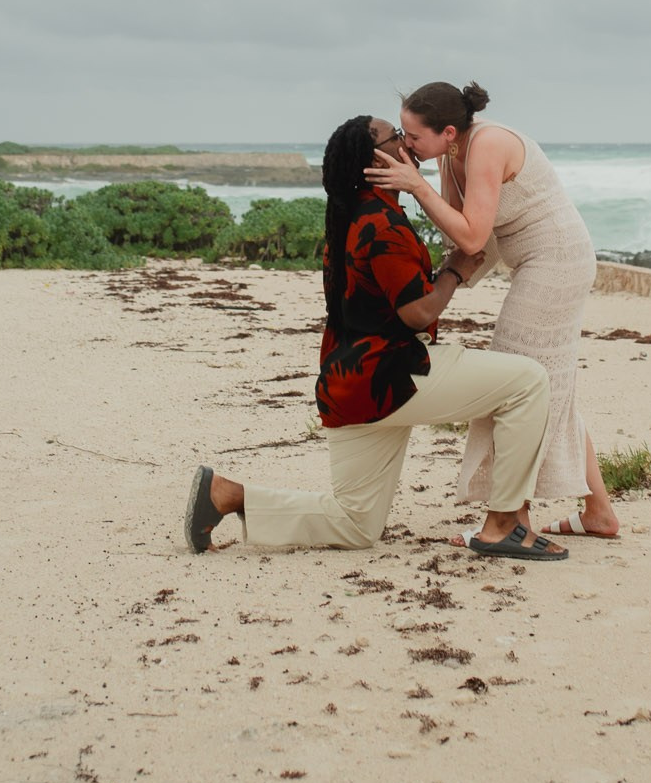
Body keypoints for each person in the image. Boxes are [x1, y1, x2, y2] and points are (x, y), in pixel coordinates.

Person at [184, 114, 567, 561]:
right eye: (396, 137)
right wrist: (455, 273)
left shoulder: (350, 216)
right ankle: (503, 523)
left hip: (350, 386)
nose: (407, 143)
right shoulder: (380, 223)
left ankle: (228, 495)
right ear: (376, 160)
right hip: (394, 377)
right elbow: (416, 313)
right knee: (528, 381)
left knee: (355, 524)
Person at [367, 80, 619, 540]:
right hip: (533, 263)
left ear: (447, 131)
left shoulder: (488, 145)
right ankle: (598, 511)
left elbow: (473, 239)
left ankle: (510, 520)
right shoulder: (449, 152)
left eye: (412, 137)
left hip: (556, 260)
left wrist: (416, 187)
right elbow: (455, 230)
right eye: (401, 134)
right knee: (549, 384)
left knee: (516, 382)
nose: (405, 144)